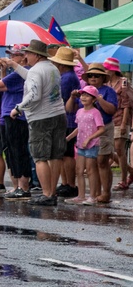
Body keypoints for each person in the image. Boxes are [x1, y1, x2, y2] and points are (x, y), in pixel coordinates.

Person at [6, 39, 69, 207]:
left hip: (41, 117)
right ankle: (52, 192)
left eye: (27, 53)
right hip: (58, 114)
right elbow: (33, 78)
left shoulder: (36, 71)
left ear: (35, 55)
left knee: (40, 157)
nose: (26, 56)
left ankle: (47, 194)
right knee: (55, 156)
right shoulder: (52, 68)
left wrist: (17, 108)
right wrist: (14, 65)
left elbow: (34, 95)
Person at [65, 62, 117, 204]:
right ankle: (94, 193)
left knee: (102, 161)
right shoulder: (84, 91)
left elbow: (112, 110)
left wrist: (99, 99)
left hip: (103, 127)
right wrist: (72, 97)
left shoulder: (108, 91)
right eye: (91, 75)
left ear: (102, 78)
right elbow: (70, 109)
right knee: (89, 166)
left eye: (97, 75)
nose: (93, 78)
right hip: (85, 130)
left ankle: (105, 193)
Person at [0, 46, 33, 199]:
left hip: (16, 116)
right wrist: (4, 70)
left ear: (23, 57)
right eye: (11, 54)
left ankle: (23, 186)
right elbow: (3, 86)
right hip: (9, 114)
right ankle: (17, 186)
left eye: (16, 55)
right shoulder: (16, 74)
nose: (12, 57)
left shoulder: (22, 72)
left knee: (18, 151)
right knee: (11, 152)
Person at [50, 47, 82, 198]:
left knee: (67, 153)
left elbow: (59, 96)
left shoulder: (67, 77)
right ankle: (66, 183)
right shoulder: (69, 76)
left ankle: (70, 184)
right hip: (66, 117)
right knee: (63, 153)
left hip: (68, 119)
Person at [67, 86, 106, 205]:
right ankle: (81, 195)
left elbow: (101, 129)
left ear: (94, 99)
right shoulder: (79, 111)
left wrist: (90, 138)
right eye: (82, 95)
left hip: (92, 145)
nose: (83, 97)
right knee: (78, 170)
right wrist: (68, 138)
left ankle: (93, 196)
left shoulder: (95, 112)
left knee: (90, 170)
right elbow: (79, 128)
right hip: (80, 145)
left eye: (87, 95)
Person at [104, 57, 133, 191]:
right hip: (110, 119)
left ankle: (123, 180)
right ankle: (131, 171)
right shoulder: (107, 84)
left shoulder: (123, 83)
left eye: (106, 69)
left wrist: (123, 124)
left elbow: (127, 104)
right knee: (110, 149)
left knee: (119, 149)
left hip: (121, 118)